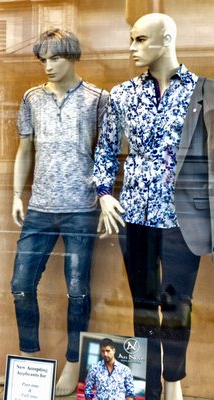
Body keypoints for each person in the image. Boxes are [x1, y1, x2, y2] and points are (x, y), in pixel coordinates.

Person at [94, 13, 202, 400]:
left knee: (177, 306)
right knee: (142, 306)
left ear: (166, 39)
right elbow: (106, 150)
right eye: (132, 39)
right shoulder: (121, 95)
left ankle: (173, 382)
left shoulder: (201, 93)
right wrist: (104, 192)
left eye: (140, 39)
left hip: (182, 217)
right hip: (134, 213)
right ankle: (148, 389)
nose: (132, 48)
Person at [4, 29, 108, 396]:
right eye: (43, 59)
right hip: (39, 207)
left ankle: (73, 366)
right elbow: (25, 149)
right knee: (20, 285)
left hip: (81, 206)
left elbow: (107, 153)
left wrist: (105, 197)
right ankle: (27, 362)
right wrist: (16, 194)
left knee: (77, 290)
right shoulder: (32, 97)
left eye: (56, 58)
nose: (48, 66)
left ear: (73, 57)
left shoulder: (97, 99)